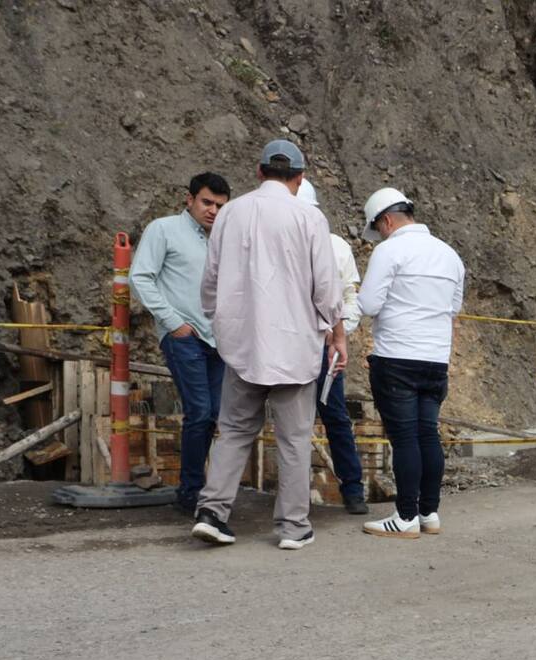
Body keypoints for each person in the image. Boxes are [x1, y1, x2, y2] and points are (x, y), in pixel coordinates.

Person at [191, 140, 346, 550]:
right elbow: (327, 288)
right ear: (300, 178)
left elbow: (211, 278)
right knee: (294, 438)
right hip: (293, 346)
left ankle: (212, 512)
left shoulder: (230, 214)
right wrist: (335, 330)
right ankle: (293, 528)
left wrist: (217, 318)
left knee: (235, 430)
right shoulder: (309, 218)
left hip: (242, 345)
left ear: (259, 172)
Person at [357, 187, 465, 539]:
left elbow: (369, 304)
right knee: (427, 435)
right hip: (435, 361)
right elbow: (453, 309)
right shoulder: (450, 255)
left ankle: (405, 518)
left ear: (386, 221)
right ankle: (428, 513)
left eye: (378, 230)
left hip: (396, 359)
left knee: (404, 440)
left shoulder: (390, 251)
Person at [130, 171, 230, 515]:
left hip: (219, 340)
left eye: (219, 205)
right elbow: (140, 276)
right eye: (207, 202)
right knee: (200, 412)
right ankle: (190, 493)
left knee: (217, 415)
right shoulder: (163, 229)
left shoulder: (222, 239)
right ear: (189, 199)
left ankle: (207, 490)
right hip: (185, 338)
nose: (213, 210)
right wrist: (173, 324)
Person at [297, 179, 368, 515]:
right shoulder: (276, 242)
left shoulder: (336, 247)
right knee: (291, 420)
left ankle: (353, 489)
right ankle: (292, 498)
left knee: (335, 416)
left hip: (325, 349)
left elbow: (351, 299)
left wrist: (338, 335)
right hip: (288, 347)